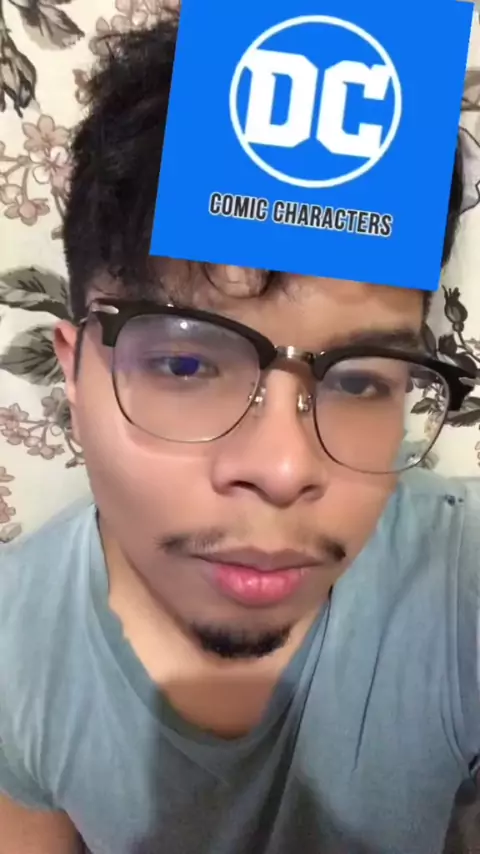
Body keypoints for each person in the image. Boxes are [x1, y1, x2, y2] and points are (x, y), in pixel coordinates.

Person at [0, 16, 477, 854]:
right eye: (186, 365)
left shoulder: (462, 592)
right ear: (73, 374)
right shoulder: (12, 645)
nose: (285, 468)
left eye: (359, 380)